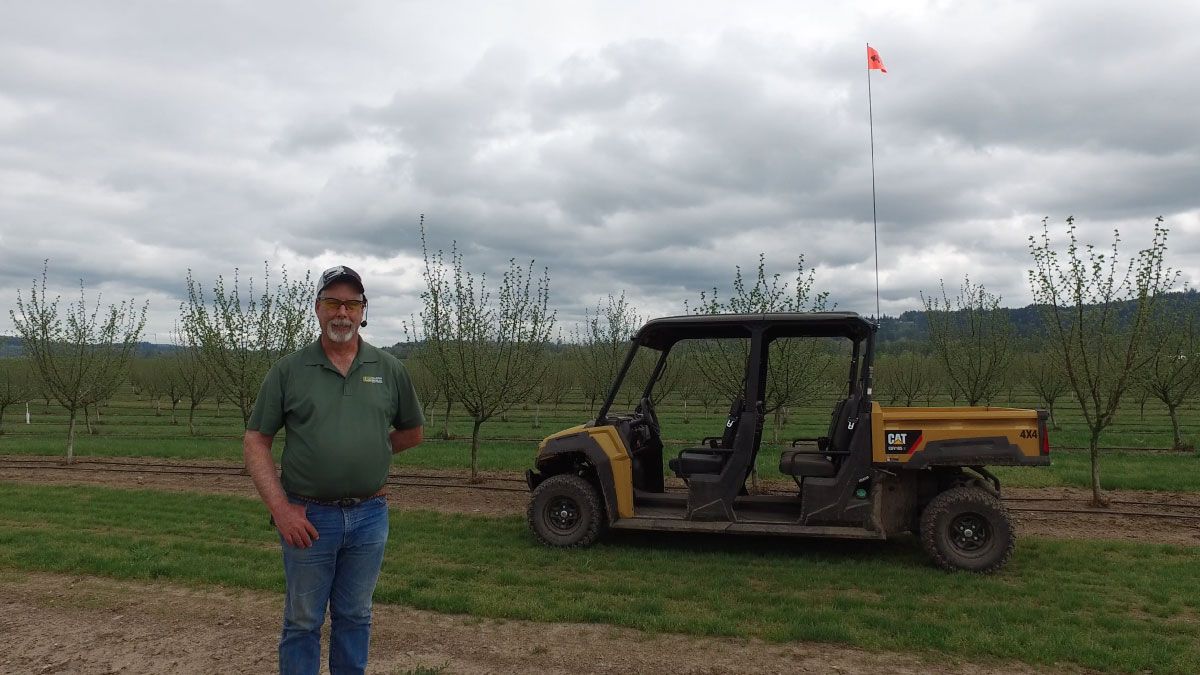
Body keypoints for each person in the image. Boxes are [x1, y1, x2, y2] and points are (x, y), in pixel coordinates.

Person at [244, 265, 424, 675]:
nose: (342, 312)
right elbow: (256, 440)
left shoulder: (389, 368)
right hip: (307, 518)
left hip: (369, 517)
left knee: (356, 616)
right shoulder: (288, 370)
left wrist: (371, 451)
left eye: (352, 303)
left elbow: (412, 432)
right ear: (317, 308)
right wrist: (280, 510)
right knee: (303, 620)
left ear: (364, 310)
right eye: (331, 302)